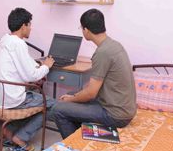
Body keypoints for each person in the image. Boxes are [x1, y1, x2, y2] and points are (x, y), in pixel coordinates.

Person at [52, 9, 136, 139]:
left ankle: (75, 146)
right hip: (124, 108)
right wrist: (73, 97)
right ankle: (85, 136)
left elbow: (91, 93)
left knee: (58, 109)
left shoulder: (102, 53)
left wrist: (71, 100)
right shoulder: (114, 45)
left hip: (115, 114)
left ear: (86, 30)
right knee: (71, 95)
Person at [0, 7, 55, 151]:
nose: (31, 28)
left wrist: (38, 64)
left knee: (34, 97)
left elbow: (22, 63)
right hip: (11, 99)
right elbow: (31, 76)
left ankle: (9, 132)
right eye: (30, 25)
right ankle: (20, 138)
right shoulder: (19, 44)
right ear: (23, 26)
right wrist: (47, 66)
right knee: (50, 103)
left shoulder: (5, 40)